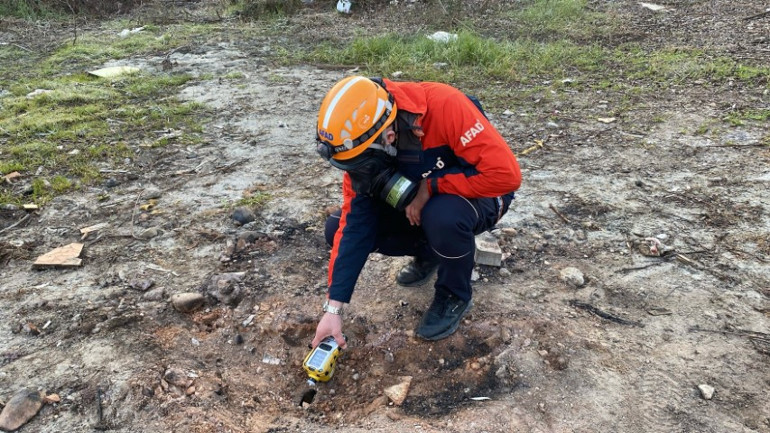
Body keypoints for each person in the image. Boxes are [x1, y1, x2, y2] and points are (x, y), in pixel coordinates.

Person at [311, 76, 521, 349]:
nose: (357, 171)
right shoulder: (361, 149)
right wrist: (333, 309)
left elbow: (505, 176)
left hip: (483, 194)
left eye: (361, 163)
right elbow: (356, 225)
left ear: (388, 137)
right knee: (336, 227)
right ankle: (432, 253)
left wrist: (432, 186)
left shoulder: (445, 106)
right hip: (421, 195)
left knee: (442, 216)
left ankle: (454, 294)